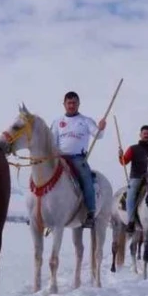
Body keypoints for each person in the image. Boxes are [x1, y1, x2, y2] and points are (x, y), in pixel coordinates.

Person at [50, 91, 106, 228]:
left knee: (86, 178)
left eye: (74, 102)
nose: (71, 105)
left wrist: (101, 128)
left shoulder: (86, 121)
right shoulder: (57, 122)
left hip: (78, 158)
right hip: (60, 157)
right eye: (69, 103)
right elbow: (52, 142)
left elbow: (98, 135)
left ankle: (90, 213)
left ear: (78, 104)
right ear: (64, 104)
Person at [118, 124, 148, 233]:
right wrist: (121, 156)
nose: (146, 135)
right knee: (131, 195)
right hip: (137, 177)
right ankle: (130, 221)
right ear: (140, 135)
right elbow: (123, 162)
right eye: (144, 133)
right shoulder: (133, 148)